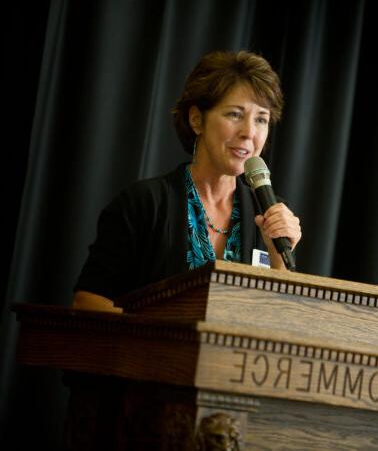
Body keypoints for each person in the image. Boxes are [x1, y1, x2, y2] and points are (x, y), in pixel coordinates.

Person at [72, 50, 302, 313]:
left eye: (261, 119)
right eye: (235, 115)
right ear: (196, 120)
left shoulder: (270, 215)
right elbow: (87, 301)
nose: (249, 132)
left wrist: (278, 256)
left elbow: (282, 319)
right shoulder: (144, 204)